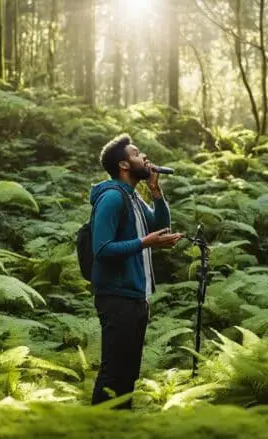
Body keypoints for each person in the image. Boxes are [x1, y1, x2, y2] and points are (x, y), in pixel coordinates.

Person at [88, 133, 183, 409]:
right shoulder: (112, 198)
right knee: (113, 374)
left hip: (135, 298)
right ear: (124, 165)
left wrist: (155, 193)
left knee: (127, 374)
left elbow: (159, 228)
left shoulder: (133, 198)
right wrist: (145, 243)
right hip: (116, 297)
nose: (145, 157)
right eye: (138, 153)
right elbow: (102, 248)